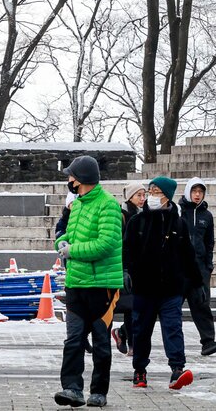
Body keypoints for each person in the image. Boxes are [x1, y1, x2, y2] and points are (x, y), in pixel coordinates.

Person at [51, 155, 123, 407]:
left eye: (71, 176)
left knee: (101, 341)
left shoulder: (108, 205)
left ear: (81, 179)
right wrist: (61, 244)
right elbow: (66, 235)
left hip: (101, 286)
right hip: (76, 284)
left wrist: (73, 251)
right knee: (73, 339)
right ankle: (71, 388)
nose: (69, 180)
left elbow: (105, 244)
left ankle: (99, 390)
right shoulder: (78, 205)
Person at [124, 175, 199, 391]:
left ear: (167, 197)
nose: (152, 195)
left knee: (173, 328)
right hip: (144, 288)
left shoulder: (179, 223)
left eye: (158, 192)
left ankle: (177, 369)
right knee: (141, 330)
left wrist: (196, 284)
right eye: (151, 191)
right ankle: (139, 370)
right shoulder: (137, 222)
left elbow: (188, 256)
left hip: (171, 288)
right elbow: (127, 251)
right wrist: (127, 272)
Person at [177, 177, 216, 357]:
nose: (197, 195)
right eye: (194, 191)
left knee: (202, 304)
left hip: (200, 269)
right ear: (188, 192)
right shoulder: (179, 211)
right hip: (180, 269)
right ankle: (128, 332)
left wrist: (208, 265)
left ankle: (208, 342)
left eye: (200, 192)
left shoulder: (207, 215)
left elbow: (209, 242)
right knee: (166, 306)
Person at [112, 183, 146, 356]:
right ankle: (131, 343)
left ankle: (124, 335)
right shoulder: (122, 216)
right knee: (129, 307)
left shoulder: (144, 215)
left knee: (137, 308)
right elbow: (121, 245)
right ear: (130, 197)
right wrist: (124, 268)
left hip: (140, 268)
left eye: (143, 195)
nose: (142, 198)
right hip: (125, 268)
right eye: (138, 195)